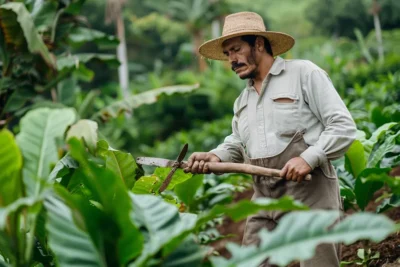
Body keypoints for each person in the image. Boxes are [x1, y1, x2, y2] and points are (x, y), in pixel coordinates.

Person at [184, 11, 357, 267]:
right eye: (228, 54)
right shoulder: (242, 101)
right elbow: (238, 141)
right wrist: (215, 156)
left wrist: (309, 158)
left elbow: (343, 126)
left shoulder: (303, 74)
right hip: (264, 199)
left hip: (311, 194)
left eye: (236, 49)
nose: (232, 59)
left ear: (259, 44)